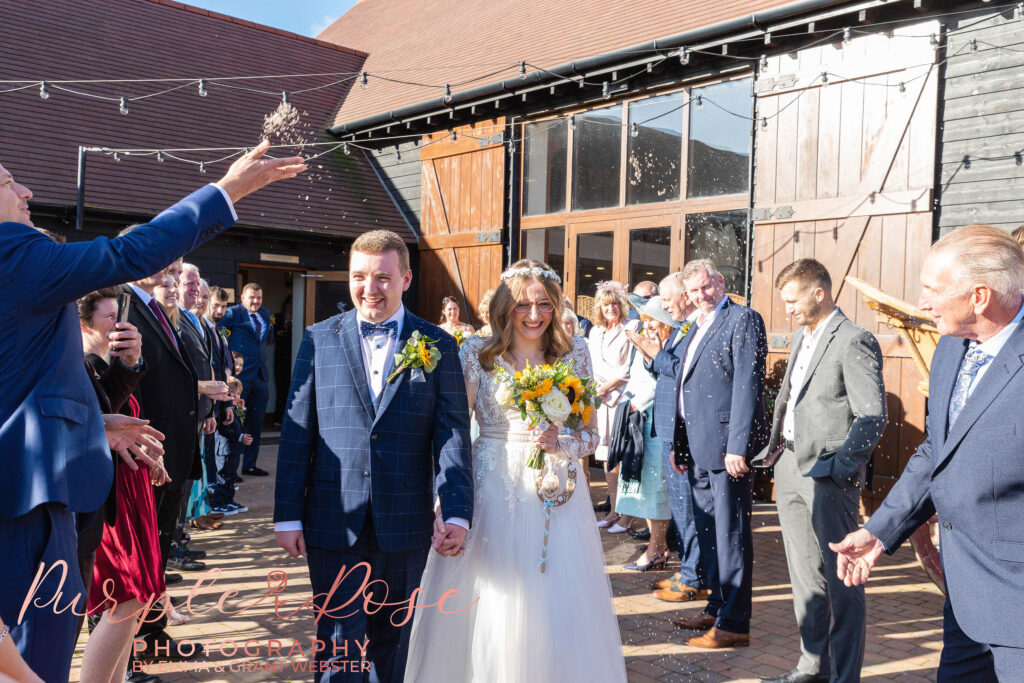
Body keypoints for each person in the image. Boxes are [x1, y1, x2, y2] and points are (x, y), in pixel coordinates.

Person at [0, 140, 304, 682]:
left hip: (26, 482)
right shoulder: (13, 252)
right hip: (31, 497)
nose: (25, 191)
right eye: (8, 183)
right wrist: (228, 190)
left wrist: (97, 423)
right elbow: (126, 254)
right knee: (39, 650)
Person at [405, 259, 627, 682]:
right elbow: (453, 433)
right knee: (492, 593)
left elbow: (590, 434)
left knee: (554, 597)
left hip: (557, 493)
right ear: (505, 307)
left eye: (544, 305)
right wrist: (444, 502)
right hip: (491, 486)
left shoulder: (573, 352)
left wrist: (560, 442)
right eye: (523, 305)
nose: (534, 315)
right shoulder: (476, 353)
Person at [274, 229, 474, 682]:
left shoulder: (438, 344)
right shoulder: (318, 339)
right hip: (332, 518)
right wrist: (287, 515)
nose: (369, 289)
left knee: (394, 643)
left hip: (405, 521)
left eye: (382, 278)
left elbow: (452, 432)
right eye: (359, 276)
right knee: (339, 642)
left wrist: (458, 511)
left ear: (405, 278)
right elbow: (297, 430)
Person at [831, 225, 1024, 681]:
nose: (922, 303)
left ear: (979, 296)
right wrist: (880, 531)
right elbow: (939, 450)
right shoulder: (950, 351)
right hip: (966, 598)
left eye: (933, 290)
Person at [751, 259, 886, 683]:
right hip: (788, 467)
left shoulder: (854, 340)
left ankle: (844, 677)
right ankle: (811, 669)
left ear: (818, 293)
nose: (787, 308)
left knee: (843, 583)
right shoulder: (799, 338)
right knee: (805, 580)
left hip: (828, 476)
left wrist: (841, 469)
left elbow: (872, 417)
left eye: (792, 300)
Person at [636, 259, 768, 648]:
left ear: (721, 283)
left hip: (726, 450)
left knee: (731, 537)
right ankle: (715, 608)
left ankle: (735, 623)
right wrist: (679, 442)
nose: (700, 296)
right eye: (693, 291)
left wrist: (738, 447)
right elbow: (683, 389)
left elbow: (748, 384)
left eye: (706, 287)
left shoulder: (743, 319)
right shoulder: (696, 324)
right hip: (695, 447)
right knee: (709, 534)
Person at [77, 289, 171, 683]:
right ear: (84, 322)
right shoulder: (79, 365)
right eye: (109, 316)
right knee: (125, 595)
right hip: (110, 495)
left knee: (137, 596)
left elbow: (127, 421)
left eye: (121, 315)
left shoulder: (105, 367)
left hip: (134, 491)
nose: (118, 324)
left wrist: (153, 454)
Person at [627, 274, 706, 604]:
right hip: (668, 428)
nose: (665, 304)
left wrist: (654, 354)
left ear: (686, 297)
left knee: (689, 510)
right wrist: (650, 356)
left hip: (685, 433)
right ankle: (687, 569)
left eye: (669, 299)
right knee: (680, 507)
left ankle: (693, 575)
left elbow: (685, 374)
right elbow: (664, 371)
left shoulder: (690, 330)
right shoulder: (679, 330)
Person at [617, 296, 676, 572]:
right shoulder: (643, 340)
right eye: (645, 320)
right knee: (645, 485)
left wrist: (636, 403)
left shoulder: (668, 345)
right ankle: (657, 544)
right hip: (639, 419)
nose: (648, 325)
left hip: (655, 420)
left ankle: (656, 548)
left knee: (656, 487)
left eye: (653, 320)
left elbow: (663, 381)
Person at [587, 280, 641, 532]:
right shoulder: (595, 332)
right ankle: (613, 510)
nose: (611, 309)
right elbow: (591, 363)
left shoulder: (632, 326)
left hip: (622, 398)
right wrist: (597, 388)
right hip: (601, 400)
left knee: (622, 457)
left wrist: (608, 386)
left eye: (615, 304)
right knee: (607, 457)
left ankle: (627, 514)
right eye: (606, 305)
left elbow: (632, 366)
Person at [219, 282, 272, 477]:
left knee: (256, 422)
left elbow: (268, 338)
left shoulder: (266, 315)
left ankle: (249, 465)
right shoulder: (232, 314)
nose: (255, 301)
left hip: (260, 376)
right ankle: (229, 469)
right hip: (239, 377)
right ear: (242, 297)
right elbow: (220, 336)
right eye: (251, 297)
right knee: (233, 420)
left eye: (258, 297)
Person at [212, 376, 251, 516]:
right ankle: (218, 503)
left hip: (234, 449)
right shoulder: (223, 409)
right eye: (232, 392)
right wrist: (240, 437)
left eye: (238, 393)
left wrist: (241, 409)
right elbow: (224, 430)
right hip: (224, 449)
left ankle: (229, 500)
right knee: (222, 476)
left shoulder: (235, 408)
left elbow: (242, 424)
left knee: (231, 477)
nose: (236, 396)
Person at [272, 295, 293, 423]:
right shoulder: (277, 317)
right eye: (290, 303)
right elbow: (271, 335)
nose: (292, 305)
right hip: (280, 355)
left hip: (293, 353)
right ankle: (278, 419)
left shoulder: (299, 314)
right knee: (281, 387)